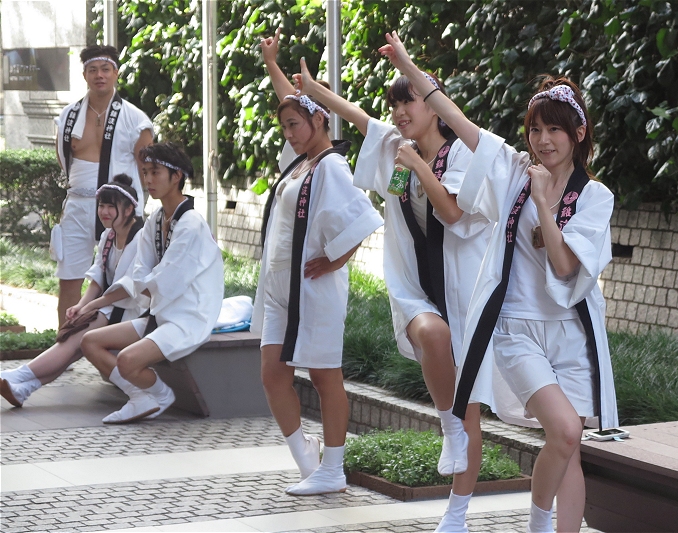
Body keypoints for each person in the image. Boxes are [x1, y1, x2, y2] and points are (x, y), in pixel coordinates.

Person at [380, 32, 619, 533]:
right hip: (516, 329)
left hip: (573, 333)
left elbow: (564, 266)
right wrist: (408, 65)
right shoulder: (514, 171)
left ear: (578, 134)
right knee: (565, 430)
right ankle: (537, 524)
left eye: (555, 130)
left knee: (569, 446)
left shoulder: (595, 197)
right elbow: (459, 121)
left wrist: (544, 204)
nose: (543, 140)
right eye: (535, 130)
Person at [295, 34, 494, 531]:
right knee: (433, 337)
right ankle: (447, 426)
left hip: (465, 290)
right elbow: (357, 116)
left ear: (435, 106)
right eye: (396, 104)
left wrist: (419, 167)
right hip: (413, 287)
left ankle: (457, 513)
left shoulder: (462, 156)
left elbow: (452, 214)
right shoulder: (393, 148)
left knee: (470, 405)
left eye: (410, 101)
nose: (400, 112)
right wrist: (312, 90)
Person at [253, 31, 383, 496]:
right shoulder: (300, 163)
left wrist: (336, 259)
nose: (289, 133)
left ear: (320, 119)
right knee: (273, 375)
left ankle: (333, 468)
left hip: (314, 290)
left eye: (295, 125)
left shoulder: (330, 165)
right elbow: (291, 101)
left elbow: (364, 218)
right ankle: (307, 459)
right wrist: (272, 63)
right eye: (285, 127)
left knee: (326, 377)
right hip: (280, 289)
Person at [81, 143, 224, 424]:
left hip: (189, 317)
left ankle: (158, 394)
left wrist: (146, 283)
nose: (148, 179)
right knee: (90, 342)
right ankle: (142, 396)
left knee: (127, 359)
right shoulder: (156, 219)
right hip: (160, 313)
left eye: (155, 172)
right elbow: (140, 272)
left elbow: (167, 280)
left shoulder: (192, 224)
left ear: (176, 176)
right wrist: (147, 283)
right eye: (145, 172)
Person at [0, 175, 147, 408]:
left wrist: (91, 306)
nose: (104, 212)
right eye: (101, 205)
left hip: (133, 312)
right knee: (73, 346)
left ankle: (19, 375)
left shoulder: (141, 238)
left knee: (72, 342)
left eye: (111, 206)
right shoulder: (108, 235)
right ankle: (23, 388)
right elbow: (98, 277)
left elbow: (130, 288)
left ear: (129, 209)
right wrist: (81, 305)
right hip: (110, 309)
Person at [53, 44, 154, 327]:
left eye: (106, 69)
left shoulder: (135, 118)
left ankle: (115, 339)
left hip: (120, 207)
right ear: (84, 75)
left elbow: (146, 168)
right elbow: (63, 159)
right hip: (77, 204)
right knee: (69, 277)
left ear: (116, 73)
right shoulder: (68, 116)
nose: (100, 75)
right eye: (93, 70)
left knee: (123, 277)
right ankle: (65, 341)